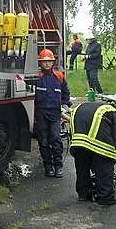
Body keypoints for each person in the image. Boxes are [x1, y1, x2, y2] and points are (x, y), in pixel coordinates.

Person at [22, 49, 72, 177]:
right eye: (44, 62)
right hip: (41, 114)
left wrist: (66, 105)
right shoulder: (37, 77)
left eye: (49, 61)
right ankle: (48, 167)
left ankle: (58, 167)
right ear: (40, 63)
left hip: (55, 114)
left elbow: (66, 93)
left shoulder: (59, 77)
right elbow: (22, 77)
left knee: (56, 139)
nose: (47, 64)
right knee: (43, 141)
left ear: (53, 62)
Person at [69, 101, 116, 205]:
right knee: (104, 162)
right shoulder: (115, 114)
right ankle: (105, 197)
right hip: (96, 138)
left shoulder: (88, 106)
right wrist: (112, 159)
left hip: (78, 139)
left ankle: (83, 193)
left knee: (82, 166)